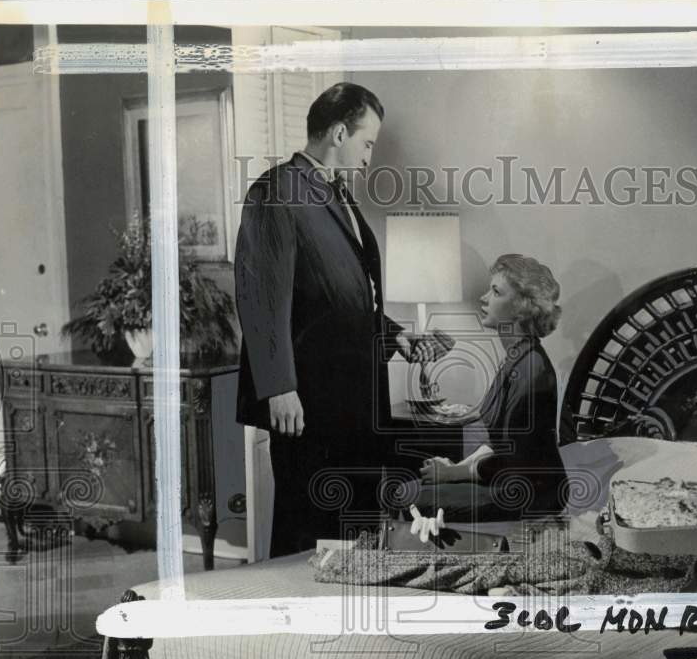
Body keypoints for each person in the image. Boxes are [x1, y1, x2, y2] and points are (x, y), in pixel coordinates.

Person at [234, 82, 438, 557]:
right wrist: (279, 386)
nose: (370, 156)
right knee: (309, 528)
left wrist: (395, 334)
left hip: (353, 399)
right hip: (309, 402)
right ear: (340, 133)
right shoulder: (275, 191)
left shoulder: (335, 193)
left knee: (355, 528)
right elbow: (260, 296)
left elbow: (340, 297)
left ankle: (351, 628)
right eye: (368, 143)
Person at [400, 254, 568, 539]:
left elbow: (515, 462)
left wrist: (455, 474)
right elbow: (497, 442)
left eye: (496, 291)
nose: (483, 297)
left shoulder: (531, 372)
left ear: (521, 308)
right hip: (512, 482)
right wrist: (456, 467)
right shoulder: (516, 358)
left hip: (529, 493)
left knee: (407, 495)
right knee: (410, 490)